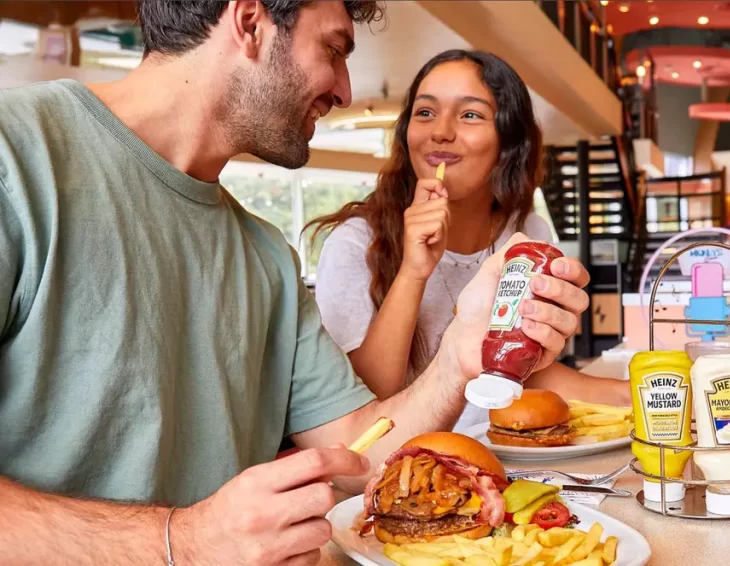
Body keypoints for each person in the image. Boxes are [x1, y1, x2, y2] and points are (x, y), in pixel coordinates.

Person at [0, 2, 590, 564]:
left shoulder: (266, 256)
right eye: (333, 50)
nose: (344, 90)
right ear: (251, 20)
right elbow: (197, 541)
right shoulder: (16, 158)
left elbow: (357, 450)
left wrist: (462, 355)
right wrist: (180, 541)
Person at [308, 49, 628, 433]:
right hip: (400, 466)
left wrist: (632, 396)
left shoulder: (526, 233)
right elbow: (366, 405)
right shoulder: (355, 243)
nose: (440, 131)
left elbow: (525, 375)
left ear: (509, 142)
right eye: (424, 112)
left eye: (470, 114)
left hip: (501, 454)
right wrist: (413, 271)